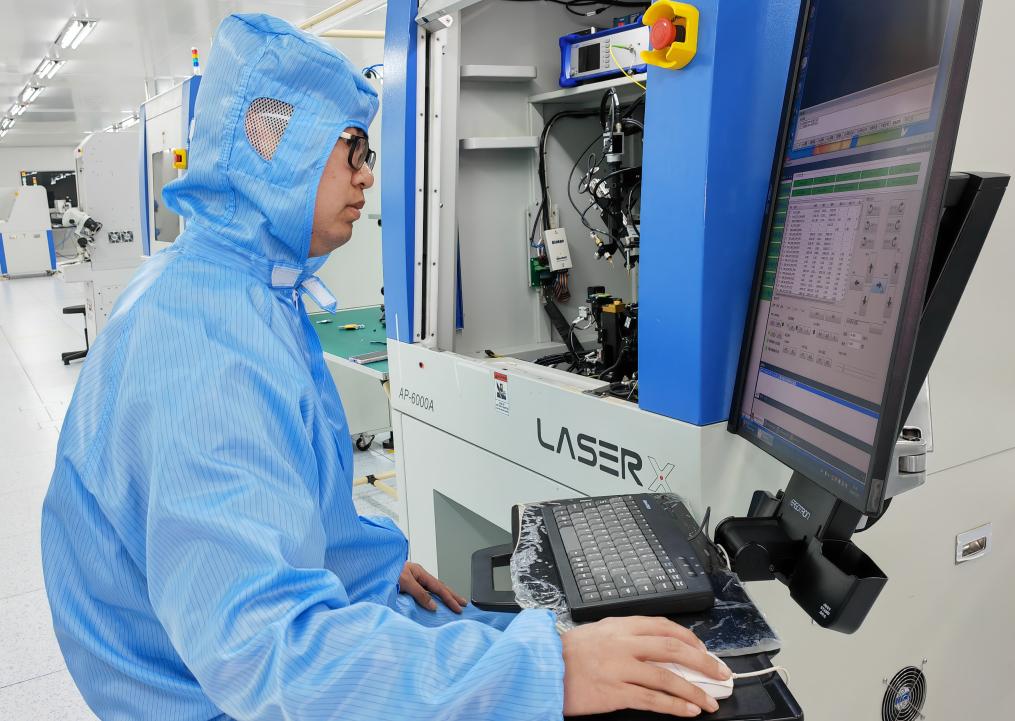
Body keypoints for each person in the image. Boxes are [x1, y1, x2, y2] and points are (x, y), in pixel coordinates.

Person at [41, 13, 729, 720]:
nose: (368, 175)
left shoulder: (239, 288)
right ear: (276, 143)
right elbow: (269, 654)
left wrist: (362, 572)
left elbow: (280, 514)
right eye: (354, 150)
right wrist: (547, 671)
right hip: (206, 700)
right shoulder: (206, 350)